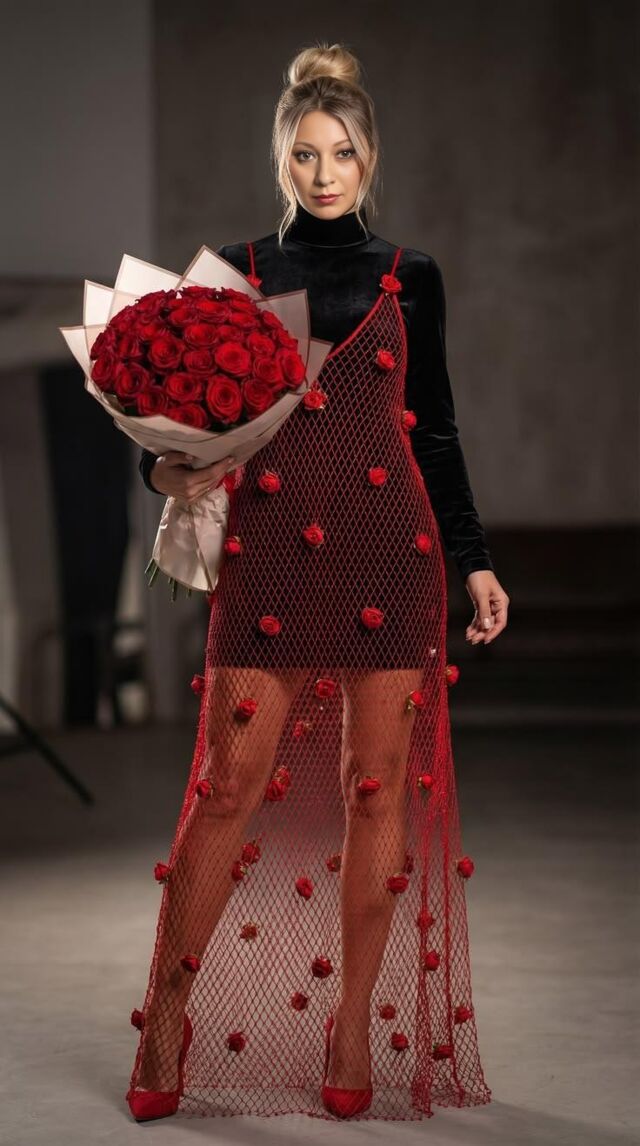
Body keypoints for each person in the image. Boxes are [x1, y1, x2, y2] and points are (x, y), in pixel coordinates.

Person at [126, 40, 509, 1124]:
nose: (324, 171)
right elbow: (174, 422)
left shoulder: (411, 275)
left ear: (369, 157)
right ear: (280, 159)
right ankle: (166, 1016)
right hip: (267, 559)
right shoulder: (233, 272)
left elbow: (435, 431)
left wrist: (475, 558)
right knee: (227, 789)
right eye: (305, 153)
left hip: (392, 553)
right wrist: (162, 467)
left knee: (374, 791)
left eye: (342, 152)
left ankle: (351, 1027)